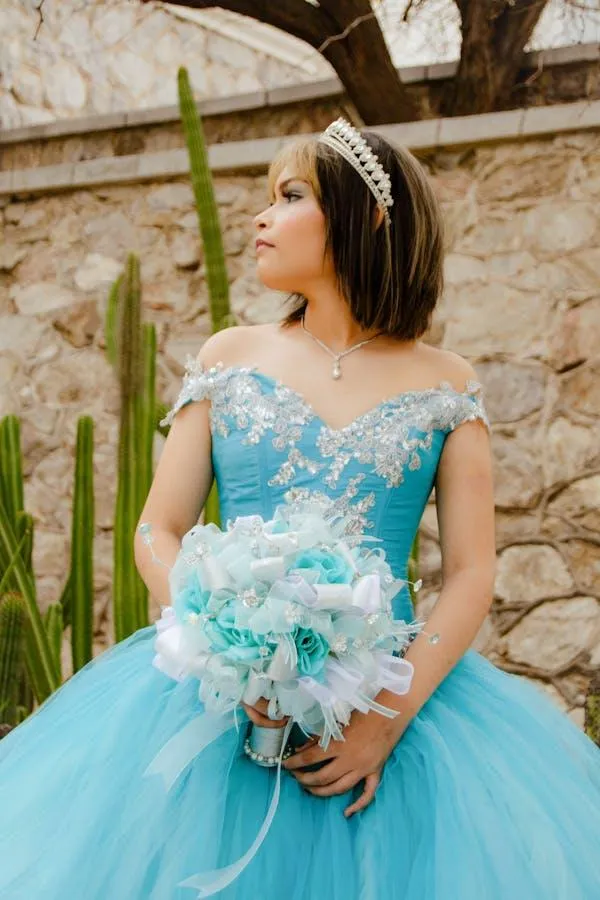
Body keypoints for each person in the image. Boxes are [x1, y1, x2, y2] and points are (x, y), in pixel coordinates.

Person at [0, 117, 599, 900]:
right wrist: (219, 637)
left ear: (366, 217)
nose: (259, 217)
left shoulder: (447, 383)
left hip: (387, 698)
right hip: (215, 699)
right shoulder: (228, 357)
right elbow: (159, 527)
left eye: (288, 197)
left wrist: (388, 715)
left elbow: (470, 570)